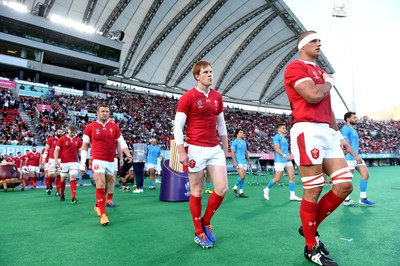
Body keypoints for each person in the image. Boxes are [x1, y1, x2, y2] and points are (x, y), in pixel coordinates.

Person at [284, 30, 353, 265]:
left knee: (344, 185)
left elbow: (328, 107)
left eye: (319, 40)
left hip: (326, 131)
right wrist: (328, 82)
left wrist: (337, 134)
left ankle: (309, 229)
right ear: (302, 45)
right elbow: (313, 95)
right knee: (313, 190)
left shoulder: (320, 73)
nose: (319, 43)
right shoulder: (296, 67)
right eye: (314, 40)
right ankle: (311, 247)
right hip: (307, 130)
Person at [174, 60, 229, 249]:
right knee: (196, 190)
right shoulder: (188, 97)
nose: (210, 75)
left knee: (222, 188)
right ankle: (198, 231)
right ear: (197, 76)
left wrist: (225, 147)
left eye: (211, 71)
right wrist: (181, 150)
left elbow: (221, 123)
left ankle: (206, 221)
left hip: (214, 148)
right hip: (195, 148)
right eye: (206, 72)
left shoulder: (217, 97)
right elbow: (178, 126)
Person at [80, 104, 132, 226]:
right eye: (102, 111)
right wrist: (82, 163)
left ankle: (98, 205)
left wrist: (127, 153)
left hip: (111, 160)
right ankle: (103, 215)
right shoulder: (90, 127)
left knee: (109, 185)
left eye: (107, 111)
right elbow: (84, 146)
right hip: (97, 159)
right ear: (97, 113)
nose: (105, 113)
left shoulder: (114, 127)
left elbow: (121, 141)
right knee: (100, 183)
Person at [341, 112, 376, 207]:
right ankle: (346, 200)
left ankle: (363, 198)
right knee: (348, 180)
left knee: (365, 175)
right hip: (349, 158)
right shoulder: (345, 129)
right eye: (354, 117)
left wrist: (357, 156)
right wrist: (355, 156)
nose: (356, 119)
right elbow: (346, 145)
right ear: (348, 119)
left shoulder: (353, 130)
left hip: (356, 157)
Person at [263, 123, 302, 201]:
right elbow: (277, 149)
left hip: (287, 161)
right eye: (283, 128)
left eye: (285, 128)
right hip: (279, 161)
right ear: (279, 129)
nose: (285, 129)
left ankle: (292, 195)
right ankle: (267, 189)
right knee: (277, 178)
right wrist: (285, 156)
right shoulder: (276, 137)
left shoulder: (284, 138)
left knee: (292, 176)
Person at [54, 125, 82, 203]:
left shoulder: (78, 140)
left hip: (74, 162)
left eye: (74, 132)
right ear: (68, 130)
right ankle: (62, 194)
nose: (72, 133)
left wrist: (83, 162)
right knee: (63, 179)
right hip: (64, 162)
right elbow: (56, 150)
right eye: (71, 132)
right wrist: (56, 161)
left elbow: (80, 152)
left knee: (73, 177)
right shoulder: (62, 139)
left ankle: (73, 197)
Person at [231, 128, 251, 198]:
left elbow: (246, 152)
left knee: (243, 178)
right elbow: (232, 153)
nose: (243, 133)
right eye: (241, 132)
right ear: (237, 134)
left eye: (243, 132)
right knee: (242, 176)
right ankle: (234, 187)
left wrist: (249, 162)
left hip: (244, 161)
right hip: (238, 161)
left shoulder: (244, 142)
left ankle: (241, 192)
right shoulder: (235, 142)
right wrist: (234, 162)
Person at [43, 128, 64, 196]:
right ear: (56, 133)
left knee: (59, 175)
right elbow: (46, 150)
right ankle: (49, 185)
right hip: (52, 159)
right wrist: (44, 158)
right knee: (50, 175)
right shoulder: (51, 139)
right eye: (59, 132)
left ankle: (57, 191)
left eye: (61, 132)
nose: (60, 133)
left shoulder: (63, 140)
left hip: (61, 159)